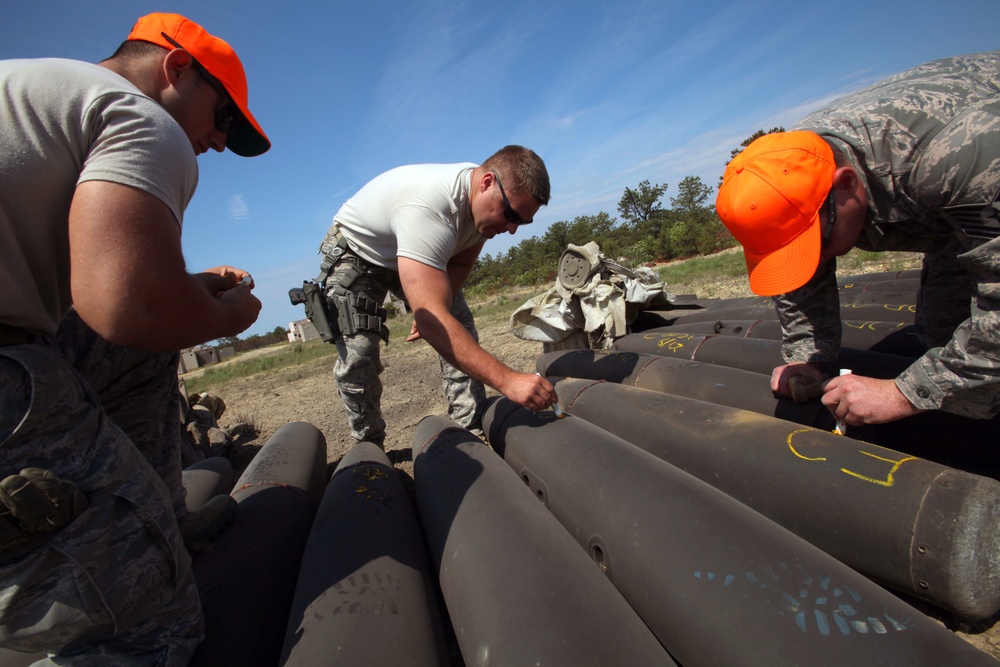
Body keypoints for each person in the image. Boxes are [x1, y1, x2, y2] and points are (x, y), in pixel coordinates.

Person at [0, 12, 269, 664]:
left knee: (142, 355)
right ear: (175, 69)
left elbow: (104, 297)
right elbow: (129, 302)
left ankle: (164, 514)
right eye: (222, 116)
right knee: (153, 620)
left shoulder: (36, 94)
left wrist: (188, 289)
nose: (216, 140)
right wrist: (231, 316)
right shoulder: (140, 116)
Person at [715, 50, 1000, 427]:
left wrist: (906, 392)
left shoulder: (960, 161)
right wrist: (809, 357)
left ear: (846, 185)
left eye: (814, 245)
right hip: (953, 209)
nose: (811, 261)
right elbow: (799, 273)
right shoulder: (792, 167)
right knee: (943, 332)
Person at [314, 146, 558, 447]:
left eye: (521, 221)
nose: (511, 230)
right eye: (510, 215)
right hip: (360, 252)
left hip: (418, 253)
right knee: (360, 353)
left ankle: (468, 426)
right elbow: (434, 326)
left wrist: (436, 307)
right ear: (486, 183)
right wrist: (508, 381)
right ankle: (369, 448)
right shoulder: (431, 208)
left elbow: (460, 262)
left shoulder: (483, 206)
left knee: (459, 326)